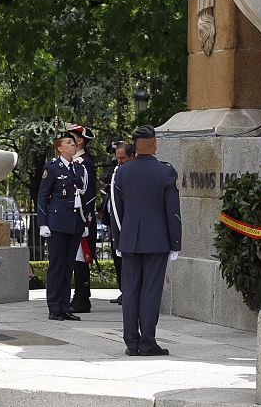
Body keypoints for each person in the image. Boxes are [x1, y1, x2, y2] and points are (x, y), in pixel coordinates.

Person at [112, 125, 181, 356]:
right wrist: (176, 243)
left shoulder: (122, 172)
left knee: (130, 291)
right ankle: (148, 341)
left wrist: (119, 240)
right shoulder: (166, 172)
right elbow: (173, 212)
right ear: (155, 144)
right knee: (151, 291)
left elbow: (117, 212)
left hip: (130, 240)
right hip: (157, 241)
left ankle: (131, 343)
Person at [37, 132, 88, 321]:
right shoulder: (52, 168)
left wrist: (84, 221)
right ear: (60, 148)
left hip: (74, 223)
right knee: (56, 267)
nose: (73, 144)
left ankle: (65, 306)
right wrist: (43, 223)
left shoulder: (78, 168)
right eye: (68, 142)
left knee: (68, 267)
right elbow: (42, 196)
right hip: (57, 223)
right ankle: (54, 307)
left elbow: (82, 194)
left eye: (73, 142)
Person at [65, 123, 97, 314]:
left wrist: (85, 220)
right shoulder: (74, 162)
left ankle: (82, 298)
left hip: (81, 219)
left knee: (81, 259)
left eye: (70, 139)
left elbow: (87, 194)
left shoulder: (83, 164)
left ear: (80, 141)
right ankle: (79, 296)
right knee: (76, 259)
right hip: (73, 218)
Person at [103, 141, 135, 305]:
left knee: (127, 261)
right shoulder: (117, 170)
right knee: (117, 259)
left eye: (122, 158)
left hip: (126, 224)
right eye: (117, 158)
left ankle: (129, 292)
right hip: (114, 221)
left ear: (132, 156)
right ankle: (124, 290)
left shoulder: (132, 173)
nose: (119, 161)